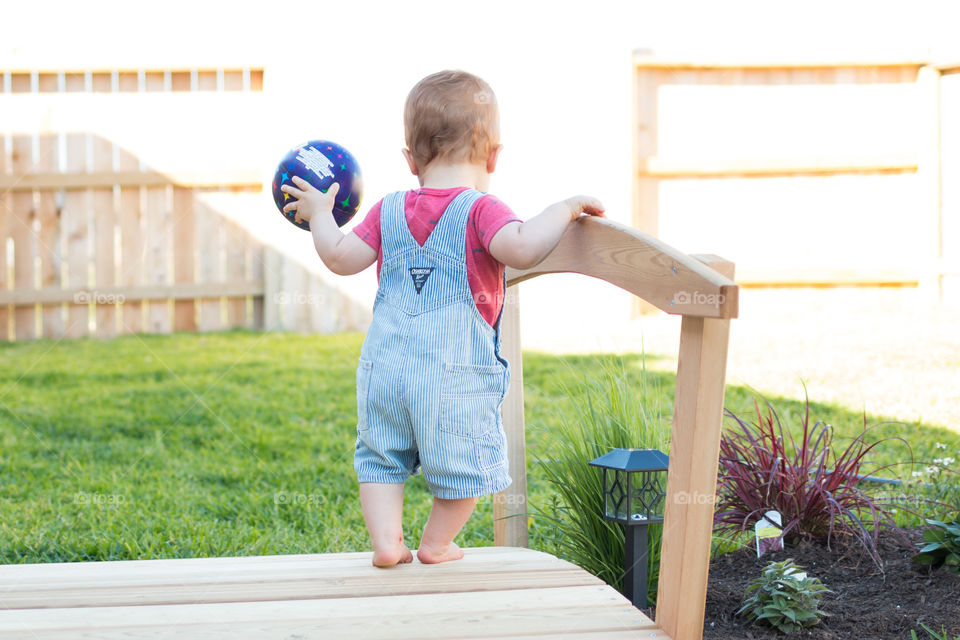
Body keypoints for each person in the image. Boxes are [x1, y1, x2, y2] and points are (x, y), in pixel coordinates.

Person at [280, 70, 604, 567]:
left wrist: (321, 214)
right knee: (463, 464)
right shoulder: (482, 210)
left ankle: (387, 543)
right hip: (453, 376)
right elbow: (522, 248)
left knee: (380, 458)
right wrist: (564, 209)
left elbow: (341, 259)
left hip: (385, 371)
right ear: (494, 157)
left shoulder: (387, 209)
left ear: (410, 161)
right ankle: (435, 543)